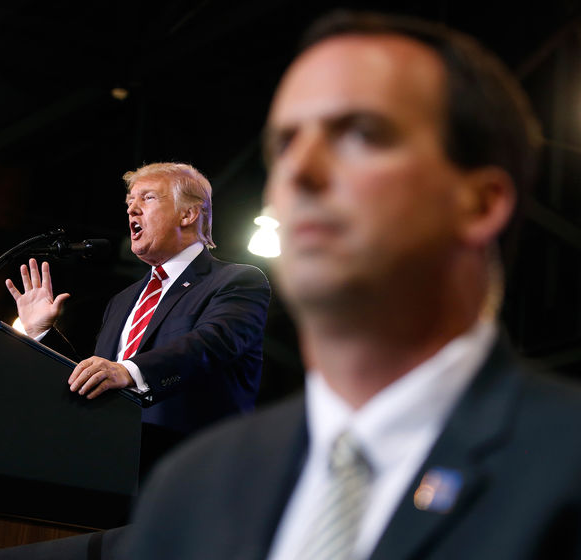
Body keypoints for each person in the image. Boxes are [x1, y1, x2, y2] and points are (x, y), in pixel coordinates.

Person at [121, 11, 581, 560]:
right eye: (287, 143)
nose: (300, 171)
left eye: (362, 134)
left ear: (479, 202)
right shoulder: (189, 489)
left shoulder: (566, 460)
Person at [5, 162, 270, 471]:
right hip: (110, 465)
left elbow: (211, 344)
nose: (132, 210)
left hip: (194, 469)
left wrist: (129, 371)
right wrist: (43, 333)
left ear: (188, 214)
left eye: (148, 198)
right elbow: (96, 380)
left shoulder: (236, 280)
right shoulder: (122, 301)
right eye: (130, 201)